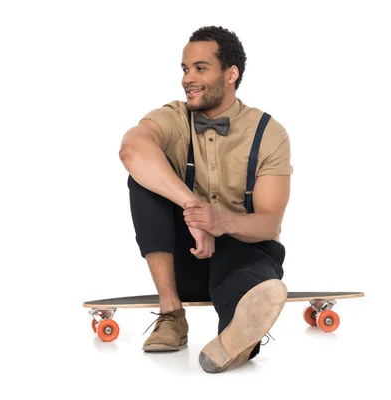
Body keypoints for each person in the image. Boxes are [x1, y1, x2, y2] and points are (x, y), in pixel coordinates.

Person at [118, 26, 293, 373]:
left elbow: (269, 220)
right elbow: (131, 149)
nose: (188, 79)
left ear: (231, 74)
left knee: (246, 284)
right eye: (185, 69)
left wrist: (222, 222)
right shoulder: (174, 118)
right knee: (143, 180)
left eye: (200, 68)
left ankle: (237, 333)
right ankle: (171, 315)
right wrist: (194, 210)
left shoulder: (269, 133)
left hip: (247, 252)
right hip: (189, 257)